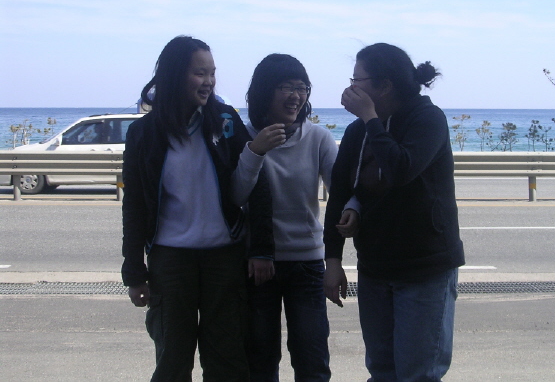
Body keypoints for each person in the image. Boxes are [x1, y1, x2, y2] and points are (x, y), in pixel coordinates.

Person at [121, 35, 273, 382]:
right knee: (173, 360)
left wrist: (262, 249)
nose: (209, 82)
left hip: (225, 258)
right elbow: (135, 205)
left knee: (227, 360)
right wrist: (134, 271)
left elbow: (257, 184)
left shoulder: (226, 120)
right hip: (170, 261)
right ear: (174, 75)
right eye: (199, 73)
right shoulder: (143, 132)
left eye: (212, 73)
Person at [323, 43, 465, 382]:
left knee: (418, 373)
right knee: (382, 371)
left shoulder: (427, 119)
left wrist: (370, 118)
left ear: (384, 85)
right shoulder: (358, 131)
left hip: (424, 267)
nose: (351, 88)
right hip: (375, 266)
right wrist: (333, 260)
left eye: (357, 80)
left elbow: (401, 169)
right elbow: (341, 190)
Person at [233, 54, 338, 381]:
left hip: (306, 262)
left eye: (302, 88)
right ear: (265, 90)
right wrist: (255, 151)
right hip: (257, 263)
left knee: (312, 359)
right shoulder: (244, 135)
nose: (296, 96)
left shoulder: (318, 138)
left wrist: (337, 254)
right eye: (286, 87)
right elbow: (235, 197)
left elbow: (341, 191)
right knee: (260, 360)